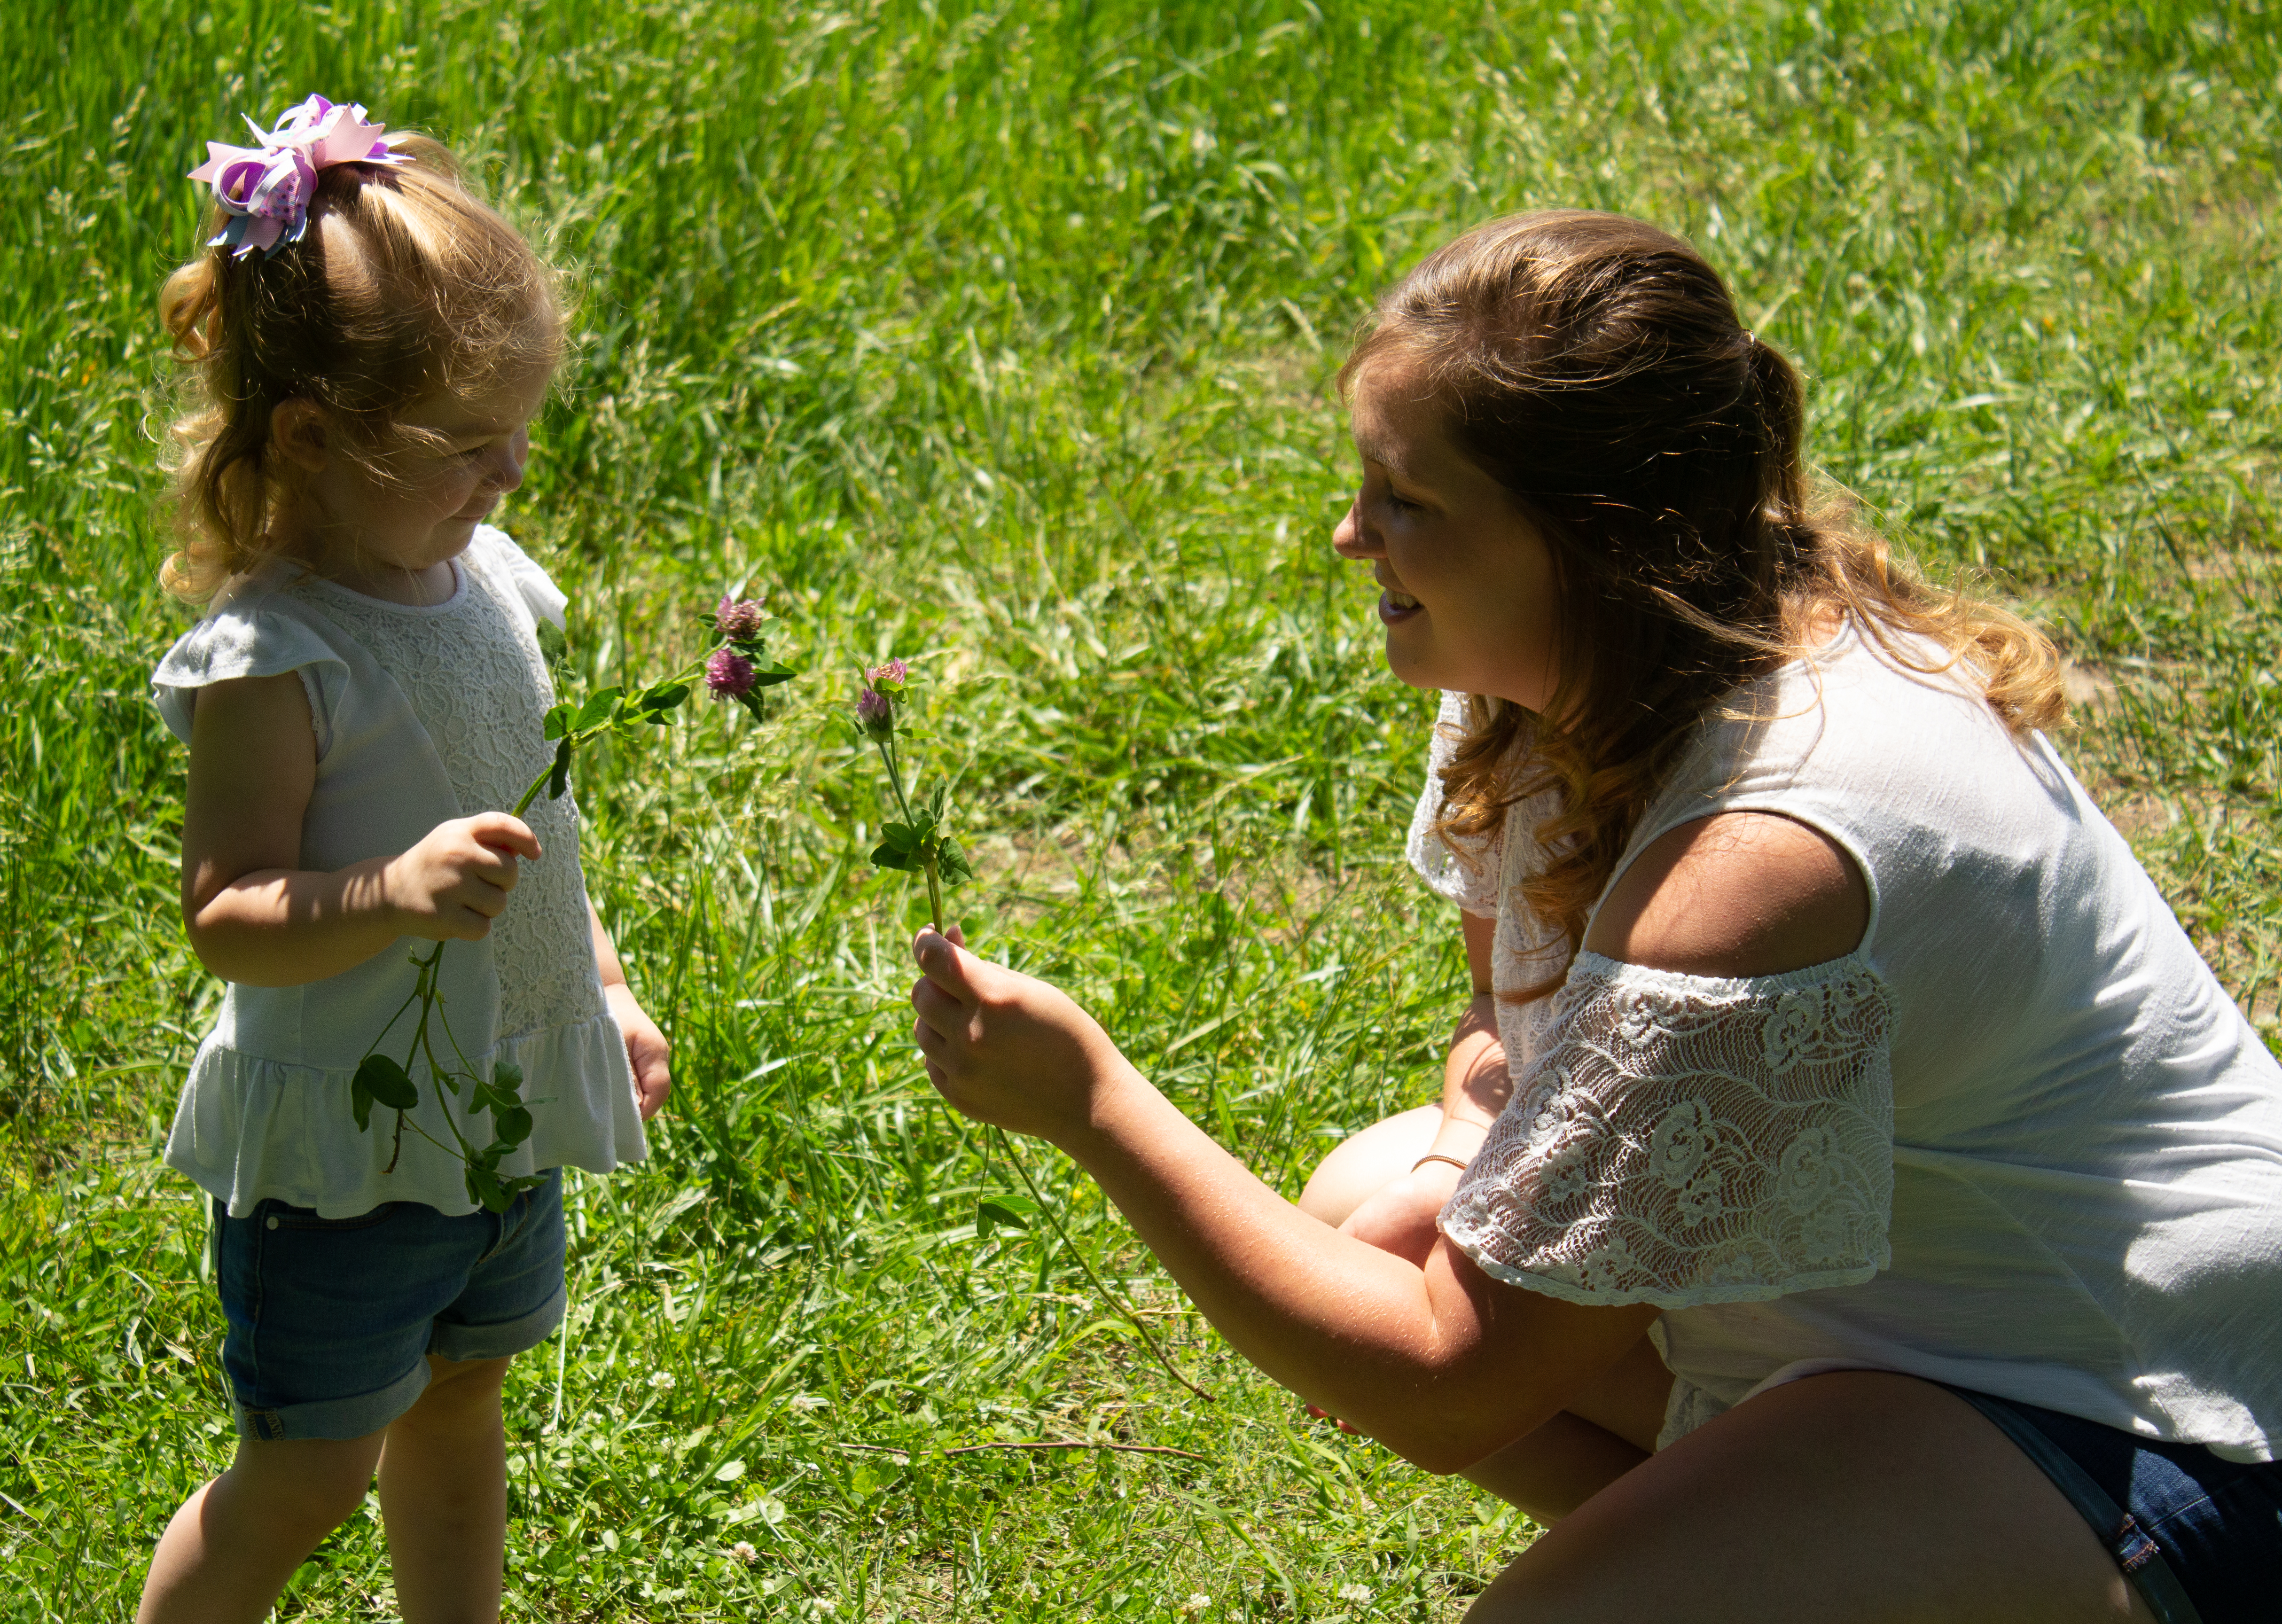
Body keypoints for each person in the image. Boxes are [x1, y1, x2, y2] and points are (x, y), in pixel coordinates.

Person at [907, 211, 2282, 1620]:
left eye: (1408, 501)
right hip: (1892, 1317)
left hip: (2155, 1413)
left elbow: (1452, 1380)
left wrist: (1094, 1105)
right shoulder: (1590, 661)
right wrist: (1457, 1149)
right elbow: (1506, 1021)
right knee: (1358, 1209)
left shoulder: (1759, 867)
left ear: (1588, 540)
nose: (1349, 535)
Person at [134, 96, 670, 1624]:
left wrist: (606, 987)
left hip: (488, 1121)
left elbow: (538, 831)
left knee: (459, 1412)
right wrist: (388, 892)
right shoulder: (277, 657)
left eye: (522, 432)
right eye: (465, 446)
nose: (508, 473)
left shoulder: (485, 575)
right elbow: (228, 917)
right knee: (304, 1475)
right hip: (345, 1167)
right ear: (309, 438)